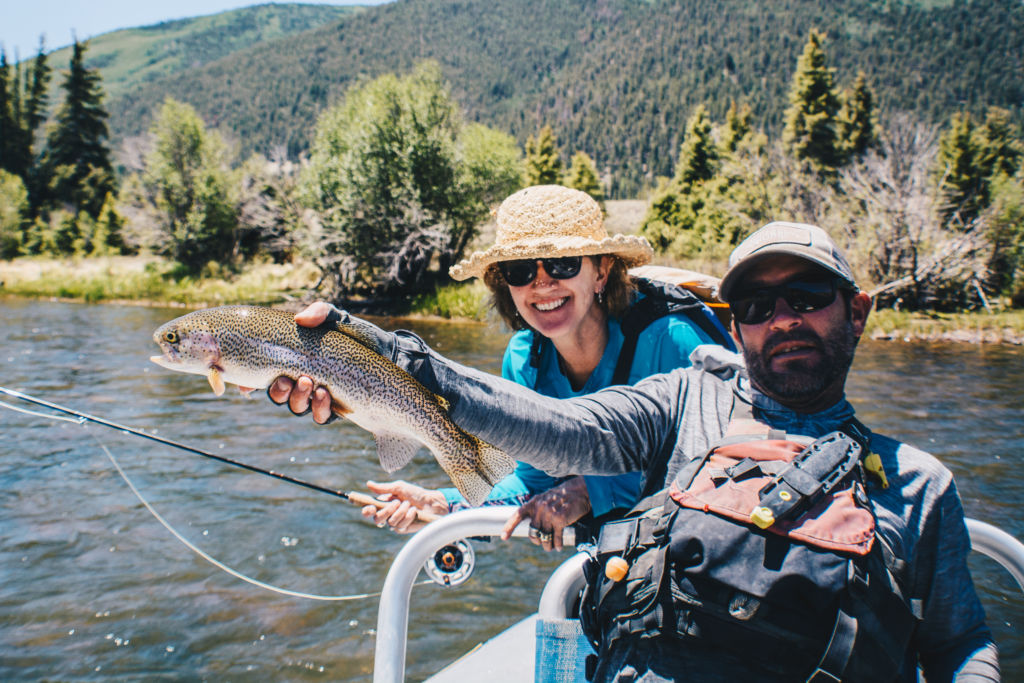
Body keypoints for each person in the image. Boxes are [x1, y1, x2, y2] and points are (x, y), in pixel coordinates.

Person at [272, 220, 998, 681]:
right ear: (736, 328)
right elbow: (554, 430)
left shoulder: (922, 486)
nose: (782, 321)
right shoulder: (683, 398)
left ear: (858, 309)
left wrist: (579, 495)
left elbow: (961, 643)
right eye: (755, 307)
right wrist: (395, 363)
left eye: (807, 296)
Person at [281, 184, 733, 549]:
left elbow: (721, 468)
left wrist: (586, 493)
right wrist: (444, 505)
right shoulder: (524, 358)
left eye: (561, 262)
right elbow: (532, 483)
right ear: (507, 287)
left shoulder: (674, 341)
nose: (541, 283)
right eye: (519, 270)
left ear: (601, 272)